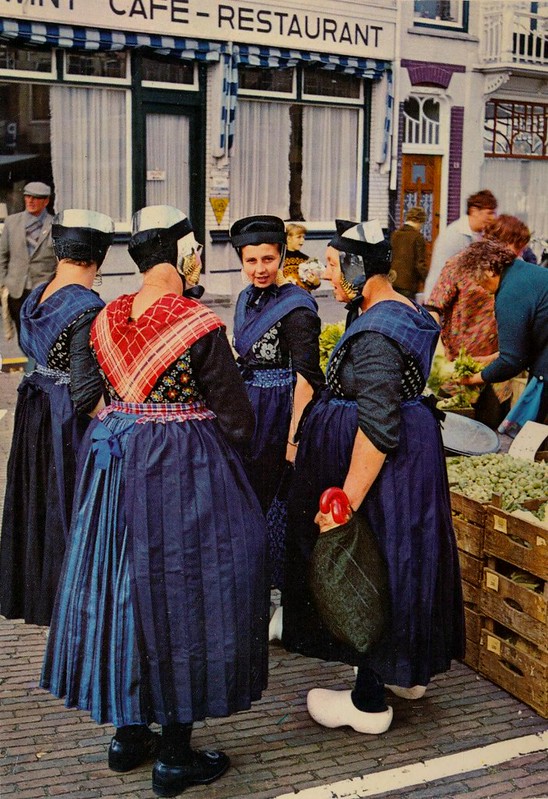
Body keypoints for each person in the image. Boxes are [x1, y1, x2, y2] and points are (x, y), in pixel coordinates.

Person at [41, 206, 269, 798]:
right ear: (185, 254)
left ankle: (127, 736)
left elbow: (87, 395)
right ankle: (174, 755)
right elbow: (238, 419)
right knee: (189, 592)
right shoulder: (199, 322)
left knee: (119, 590)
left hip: (115, 466)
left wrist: (132, 417)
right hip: (184, 469)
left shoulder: (105, 316)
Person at [280, 219, 464, 734]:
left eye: (337, 267)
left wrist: (346, 502)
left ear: (362, 267)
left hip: (384, 471)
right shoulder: (403, 310)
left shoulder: (378, 331)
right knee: (406, 558)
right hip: (410, 464)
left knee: (371, 563)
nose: (329, 277)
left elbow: (379, 425)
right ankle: (405, 670)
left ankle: (366, 702)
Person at [0, 209, 113, 626]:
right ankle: (74, 601)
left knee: (41, 499)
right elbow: (86, 391)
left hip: (35, 408)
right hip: (66, 413)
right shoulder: (87, 306)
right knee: (70, 501)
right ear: (97, 259)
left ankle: (40, 593)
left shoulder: (37, 294)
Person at [230, 215, 325, 589]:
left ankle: (277, 587)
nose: (260, 269)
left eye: (268, 259)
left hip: (281, 409)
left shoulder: (298, 308)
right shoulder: (244, 299)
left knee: (276, 498)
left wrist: (293, 440)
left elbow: (307, 379)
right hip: (250, 406)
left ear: (283, 255)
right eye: (251, 261)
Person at [458, 230, 548, 433]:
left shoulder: (509, 294)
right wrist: (492, 357)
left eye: (476, 277)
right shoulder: (523, 272)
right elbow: (525, 343)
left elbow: (512, 360)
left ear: (490, 270)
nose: (478, 285)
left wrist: (476, 378)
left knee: (526, 436)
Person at [425, 246, 513, 429]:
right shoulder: (458, 265)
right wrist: (439, 350)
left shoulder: (507, 267)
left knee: (491, 431)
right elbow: (433, 306)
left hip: (497, 366)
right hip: (460, 365)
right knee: (450, 428)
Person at [0, 182, 57, 342]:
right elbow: (2, 256)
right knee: (23, 338)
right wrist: (3, 284)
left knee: (42, 338)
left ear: (46, 201)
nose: (30, 201)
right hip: (16, 291)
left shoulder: (56, 226)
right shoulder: (12, 222)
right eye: (27, 196)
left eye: (36, 198)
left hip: (44, 292)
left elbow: (60, 261)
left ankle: (36, 366)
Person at [424, 189, 497, 301]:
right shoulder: (454, 235)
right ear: (474, 211)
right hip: (441, 301)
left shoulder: (479, 235)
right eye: (489, 213)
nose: (493, 218)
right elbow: (441, 273)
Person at [390, 206, 428, 299]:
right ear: (419, 221)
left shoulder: (395, 235)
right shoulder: (417, 237)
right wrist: (428, 280)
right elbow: (420, 265)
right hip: (408, 285)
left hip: (392, 282)